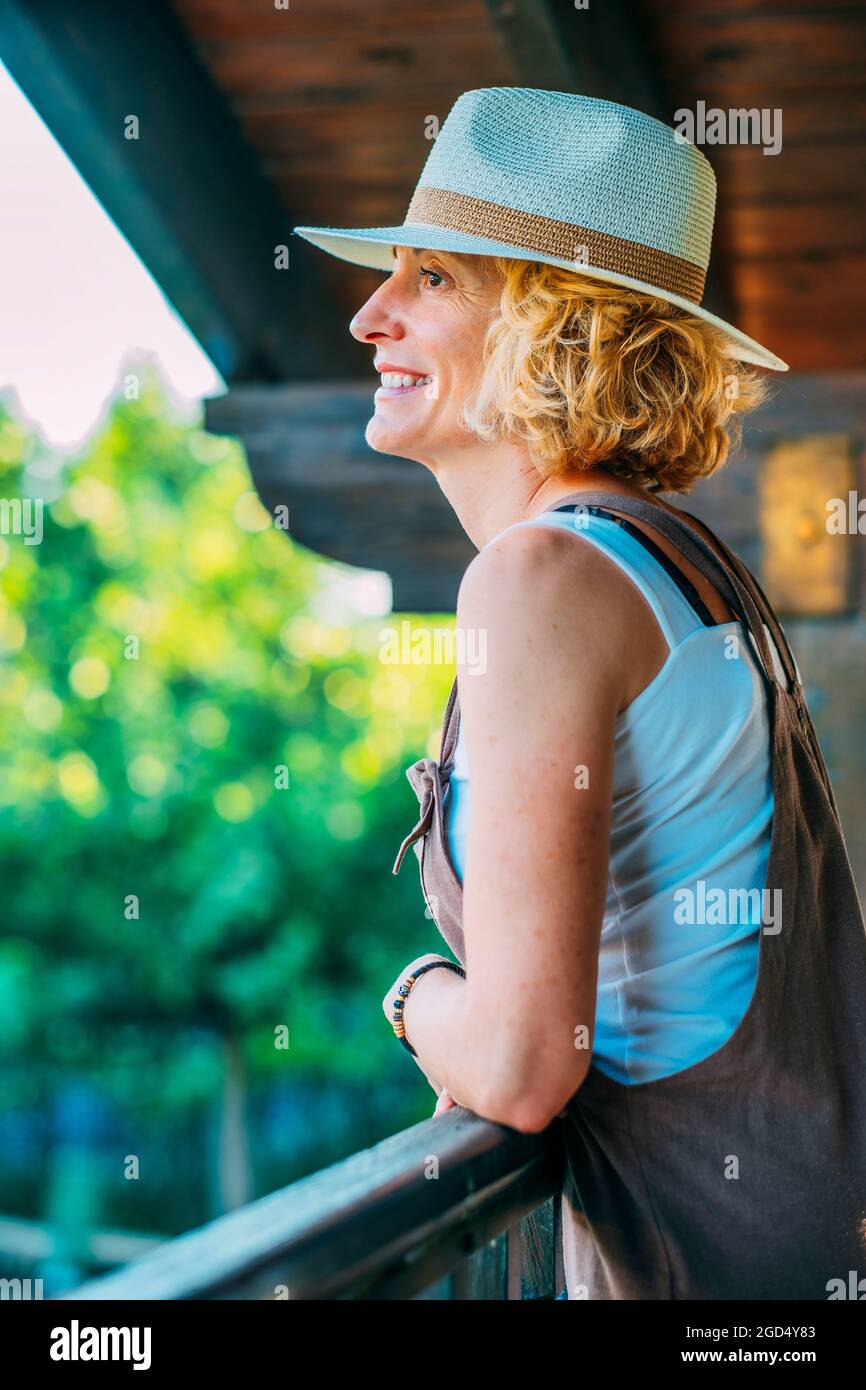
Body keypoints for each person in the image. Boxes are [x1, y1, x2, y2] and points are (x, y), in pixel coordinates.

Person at [293, 87, 866, 1299]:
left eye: (430, 279)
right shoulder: (678, 559)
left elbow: (514, 1065)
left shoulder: (542, 574)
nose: (368, 315)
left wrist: (411, 992)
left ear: (558, 327)